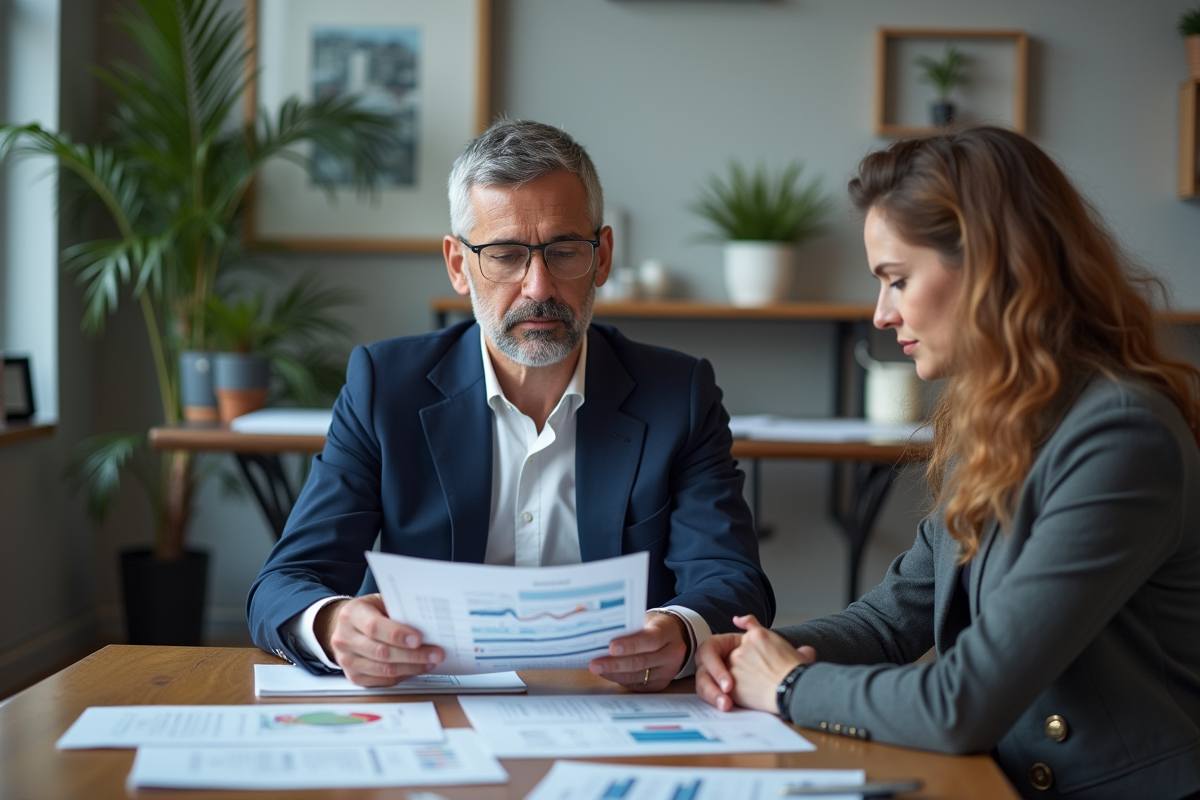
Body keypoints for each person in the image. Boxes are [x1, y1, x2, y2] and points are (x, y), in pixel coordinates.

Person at [695, 127, 1200, 800]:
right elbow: (889, 621)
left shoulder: (1123, 438)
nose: (880, 313)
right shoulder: (997, 421)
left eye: (898, 279)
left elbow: (960, 705)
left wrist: (787, 684)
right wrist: (747, 652)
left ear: (993, 267)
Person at [247, 119, 774, 691]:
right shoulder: (385, 387)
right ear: (457, 264)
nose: (539, 286)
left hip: (619, 706)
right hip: (440, 712)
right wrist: (333, 625)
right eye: (504, 255)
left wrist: (680, 629)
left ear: (602, 258)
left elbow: (732, 579)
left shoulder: (679, 394)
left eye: (565, 251)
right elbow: (286, 581)